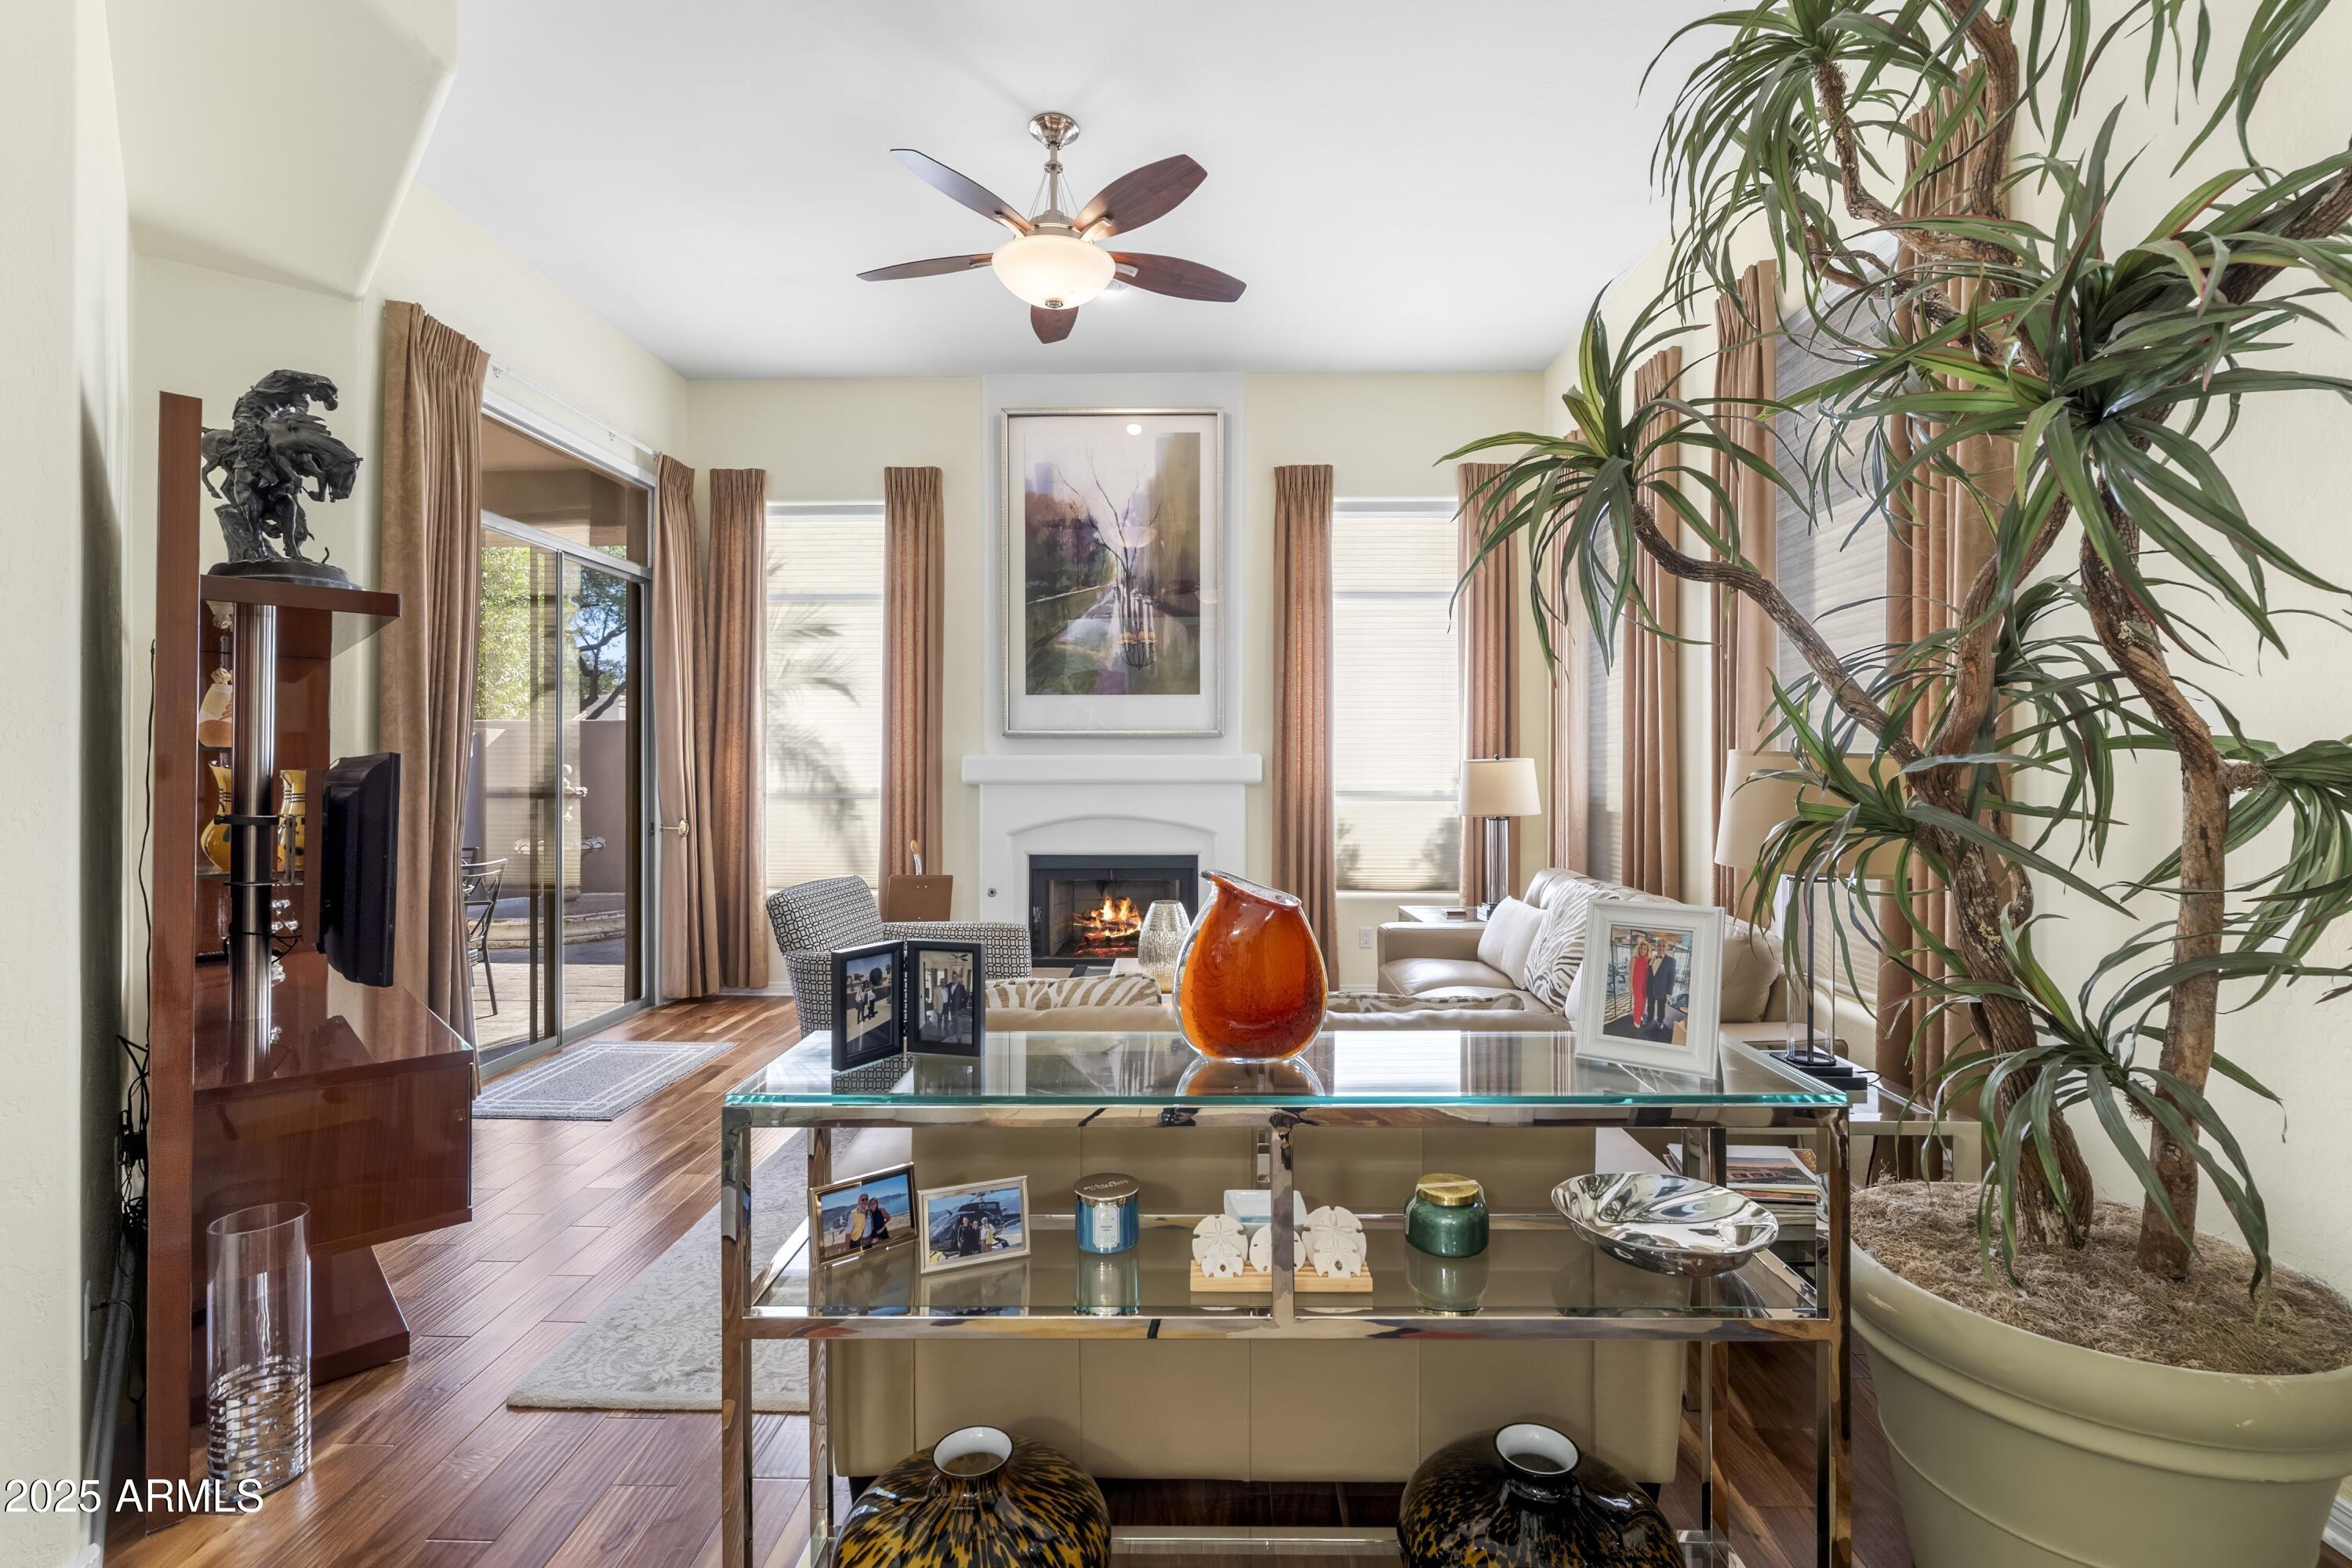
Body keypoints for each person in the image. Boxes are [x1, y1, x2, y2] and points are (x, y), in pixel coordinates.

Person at [1647, 943, 1680, 1035]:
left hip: (1662, 989)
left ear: (1666, 948)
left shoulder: (1671, 961)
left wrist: (1669, 992)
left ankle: (1660, 1021)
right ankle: (1649, 1018)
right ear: (1656, 947)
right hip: (1650, 988)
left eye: (1663, 946)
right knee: (1650, 1005)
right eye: (1659, 946)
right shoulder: (1652, 958)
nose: (1661, 948)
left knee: (1661, 1007)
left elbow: (1672, 978)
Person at [1627, 938, 1651, 1035]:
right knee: (1638, 1002)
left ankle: (1640, 1015)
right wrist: (1630, 986)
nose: (1643, 951)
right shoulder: (1634, 958)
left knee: (1644, 1002)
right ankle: (1636, 1020)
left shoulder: (1648, 959)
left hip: (1645, 984)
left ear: (1647, 950)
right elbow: (1631, 973)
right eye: (1641, 948)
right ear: (1639, 948)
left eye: (1645, 949)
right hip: (1637, 984)